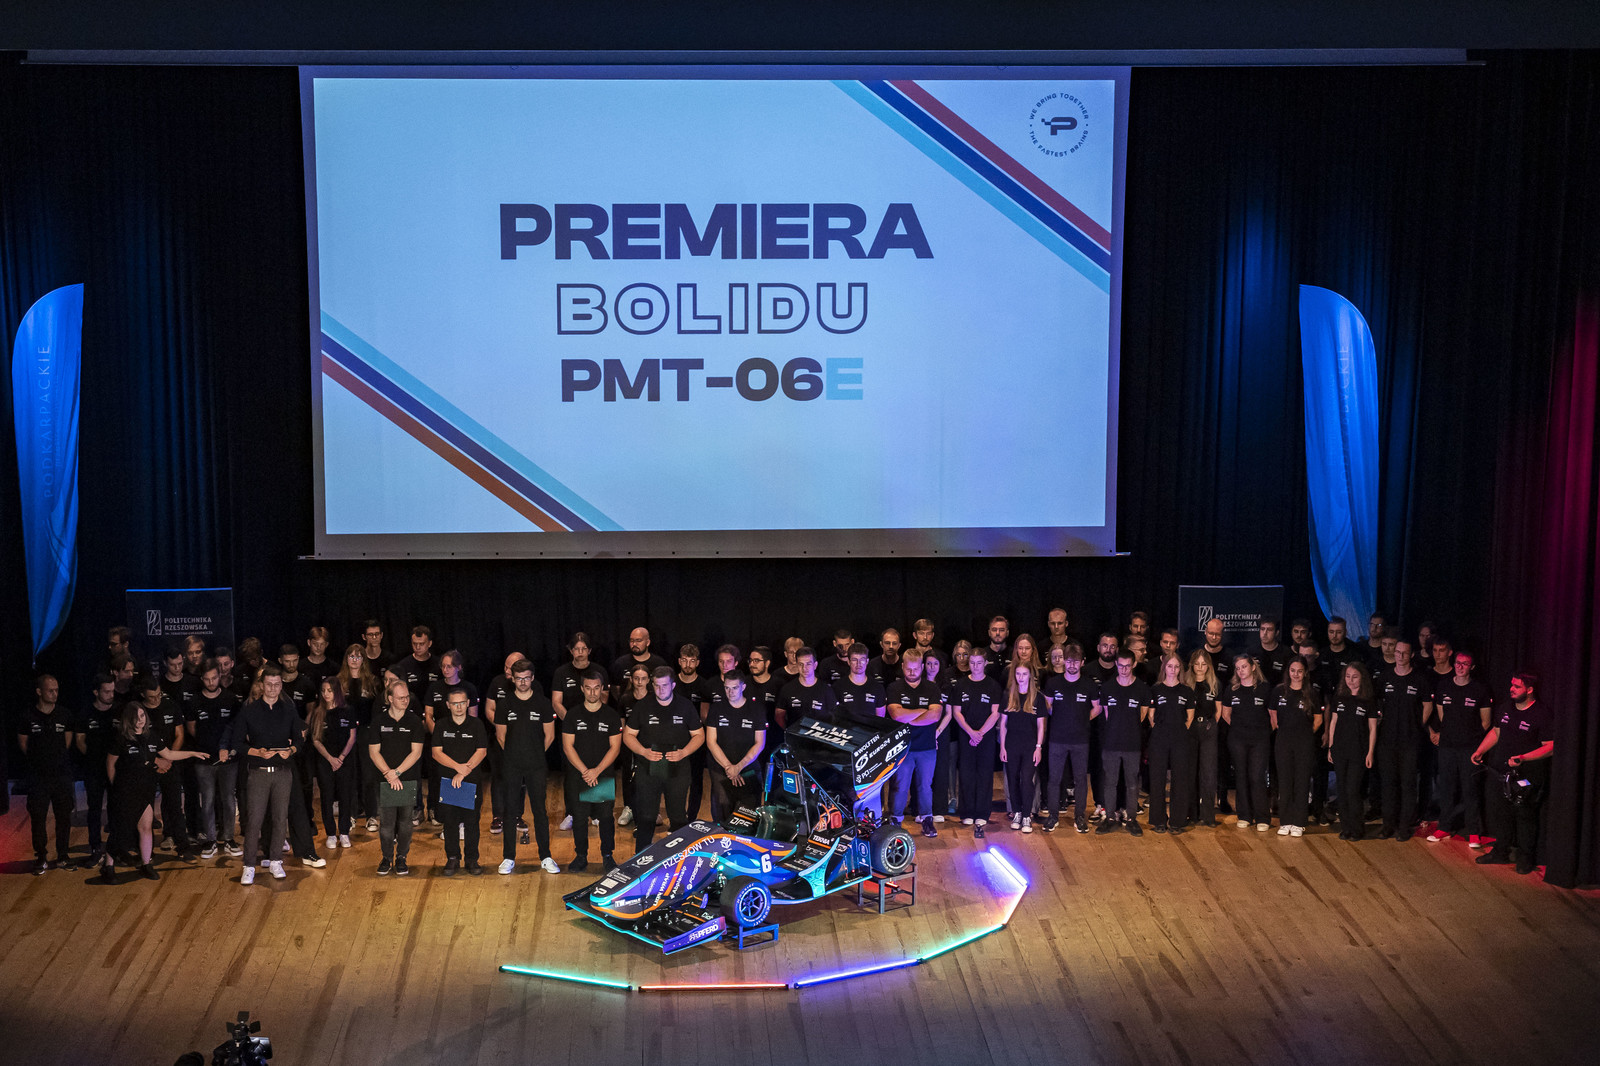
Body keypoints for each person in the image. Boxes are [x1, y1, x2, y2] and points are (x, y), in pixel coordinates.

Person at [99, 703, 207, 883]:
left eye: (142, 716)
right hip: (125, 791)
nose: (140, 720)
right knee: (121, 829)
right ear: (128, 719)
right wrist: (115, 787)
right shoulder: (121, 739)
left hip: (146, 789)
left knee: (146, 826)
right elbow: (111, 764)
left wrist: (192, 753)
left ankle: (146, 864)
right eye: (136, 717)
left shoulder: (151, 736)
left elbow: (169, 754)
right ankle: (108, 866)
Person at [1473, 672, 1555, 875]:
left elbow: (1550, 747)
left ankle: (1525, 858)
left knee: (1525, 816)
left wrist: (1524, 758)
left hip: (1527, 776)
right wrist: (1480, 750)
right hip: (1502, 773)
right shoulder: (1505, 708)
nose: (1512, 689)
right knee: (1501, 814)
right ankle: (1500, 851)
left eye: (1517, 686)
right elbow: (1496, 732)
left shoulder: (1541, 713)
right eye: (1512, 685)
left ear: (1530, 689)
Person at [234, 665, 307, 884]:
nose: (273, 689)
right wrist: (256, 752)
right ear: (262, 685)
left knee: (280, 818)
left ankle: (276, 860)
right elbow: (237, 743)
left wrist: (291, 750)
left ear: (281, 685)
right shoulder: (250, 710)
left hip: (283, 771)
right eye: (269, 684)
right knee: (254, 820)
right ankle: (249, 865)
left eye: (276, 685)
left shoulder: (289, 709)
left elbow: (299, 739)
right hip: (259, 772)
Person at [624, 667, 704, 851]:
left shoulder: (685, 706)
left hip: (678, 768)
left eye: (665, 685)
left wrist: (684, 752)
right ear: (652, 685)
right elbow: (628, 735)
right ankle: (641, 858)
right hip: (648, 768)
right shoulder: (643, 706)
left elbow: (699, 735)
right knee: (646, 816)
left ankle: (680, 858)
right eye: (657, 685)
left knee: (678, 816)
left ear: (673, 685)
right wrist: (643, 751)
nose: (661, 690)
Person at [496, 659, 560, 874]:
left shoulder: (543, 703)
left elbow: (550, 735)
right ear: (513, 679)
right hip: (512, 765)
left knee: (539, 810)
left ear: (532, 678)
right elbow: (501, 736)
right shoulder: (504, 704)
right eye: (518, 679)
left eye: (526, 678)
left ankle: (546, 856)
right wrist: (516, 755)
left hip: (536, 766)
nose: (522, 682)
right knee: (510, 811)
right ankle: (508, 857)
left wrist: (534, 754)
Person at [1428, 651, 1494, 847]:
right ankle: (1444, 827)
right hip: (1447, 747)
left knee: (1470, 789)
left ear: (1471, 667)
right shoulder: (1444, 686)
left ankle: (1474, 832)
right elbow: (1442, 715)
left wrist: (1471, 740)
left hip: (1469, 749)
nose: (1460, 666)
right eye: (1458, 663)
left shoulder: (1480, 689)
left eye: (1465, 664)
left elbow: (1486, 722)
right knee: (1447, 788)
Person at [561, 670, 625, 872]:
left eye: (596, 688)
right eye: (588, 688)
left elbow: (615, 747)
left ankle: (607, 855)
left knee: (605, 817)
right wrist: (585, 771)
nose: (592, 692)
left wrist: (596, 771)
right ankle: (581, 856)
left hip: (602, 775)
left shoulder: (611, 715)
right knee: (579, 818)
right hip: (579, 776)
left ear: (602, 688)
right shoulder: (572, 715)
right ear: (582, 689)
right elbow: (567, 747)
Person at [1041, 642, 1101, 833]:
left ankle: (1079, 817)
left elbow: (1098, 707)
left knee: (1080, 780)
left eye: (1076, 661)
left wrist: (1083, 718)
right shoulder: (1053, 683)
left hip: (1080, 740)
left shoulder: (1089, 685)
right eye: (1069, 661)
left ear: (1082, 662)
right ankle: (1053, 816)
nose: (1072, 665)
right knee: (1054, 779)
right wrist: (1060, 717)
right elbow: (1047, 706)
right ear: (1064, 662)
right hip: (1057, 739)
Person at [19, 675, 77, 873]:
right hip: (38, 777)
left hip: (61, 775)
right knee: (38, 817)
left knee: (64, 816)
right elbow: (24, 744)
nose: (55, 694)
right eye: (50, 690)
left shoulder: (65, 715)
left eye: (57, 690)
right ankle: (41, 857)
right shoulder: (28, 716)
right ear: (39, 692)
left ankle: (63, 856)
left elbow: (67, 742)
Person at [369, 679, 426, 876]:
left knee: (405, 823)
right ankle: (386, 857)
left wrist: (397, 773)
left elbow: (416, 752)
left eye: (407, 697)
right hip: (385, 781)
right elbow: (374, 752)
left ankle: (402, 857)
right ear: (390, 698)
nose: (405, 700)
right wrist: (389, 774)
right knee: (386, 823)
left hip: (407, 780)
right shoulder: (379, 721)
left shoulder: (414, 721)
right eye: (401, 697)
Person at [887, 650, 946, 838]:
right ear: (902, 666)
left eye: (915, 669)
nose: (912, 672)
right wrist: (922, 711)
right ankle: (895, 821)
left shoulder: (932, 688)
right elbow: (896, 715)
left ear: (921, 667)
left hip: (927, 747)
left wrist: (909, 716)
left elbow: (935, 715)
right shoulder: (894, 687)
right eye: (908, 669)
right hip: (902, 747)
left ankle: (927, 820)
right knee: (900, 787)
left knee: (925, 786)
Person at [432, 685, 489, 875]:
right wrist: (457, 768)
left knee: (472, 822)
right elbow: (436, 753)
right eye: (455, 703)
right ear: (448, 705)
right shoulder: (441, 725)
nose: (459, 707)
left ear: (467, 703)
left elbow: (481, 751)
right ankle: (452, 858)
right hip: (448, 782)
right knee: (450, 822)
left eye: (462, 703)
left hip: (470, 781)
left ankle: (472, 859)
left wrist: (464, 772)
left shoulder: (476, 725)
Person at [187, 660, 241, 858]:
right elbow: (191, 728)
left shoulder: (230, 699)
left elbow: (236, 728)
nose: (211, 682)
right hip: (204, 759)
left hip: (228, 760)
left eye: (214, 678)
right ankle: (210, 840)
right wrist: (206, 746)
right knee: (207, 800)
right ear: (202, 679)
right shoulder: (194, 701)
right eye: (207, 679)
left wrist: (226, 749)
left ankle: (229, 838)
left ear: (220, 676)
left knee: (228, 799)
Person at [1375, 641, 1428, 840]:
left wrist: (1417, 724)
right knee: (1388, 784)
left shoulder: (1419, 679)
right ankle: (1388, 825)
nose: (1400, 656)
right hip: (1387, 740)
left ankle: (1405, 826)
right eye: (1398, 652)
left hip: (1410, 741)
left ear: (1411, 655)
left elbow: (1428, 705)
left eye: (1404, 653)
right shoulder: (1385, 677)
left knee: (1408, 785)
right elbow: (1377, 703)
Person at [1096, 651, 1150, 835]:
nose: (1124, 669)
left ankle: (1131, 819)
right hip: (1111, 743)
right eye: (1120, 666)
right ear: (1116, 665)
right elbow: (1106, 714)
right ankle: (1110, 819)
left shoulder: (1141, 688)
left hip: (1132, 744)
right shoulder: (1108, 687)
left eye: (1127, 666)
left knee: (1132, 783)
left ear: (1133, 665)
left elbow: (1142, 715)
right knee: (1110, 782)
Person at [1326, 663, 1381, 841]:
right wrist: (1331, 747)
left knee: (1352, 790)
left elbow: (1372, 728)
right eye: (1348, 676)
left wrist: (1370, 752)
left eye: (1355, 676)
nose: (1350, 680)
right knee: (1341, 790)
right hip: (1340, 750)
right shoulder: (1339, 697)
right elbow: (1333, 723)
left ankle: (1357, 828)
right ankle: (1346, 827)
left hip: (1358, 751)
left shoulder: (1368, 700)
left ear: (1362, 678)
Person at [951, 647, 1002, 835]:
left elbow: (995, 713)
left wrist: (980, 733)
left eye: (979, 663)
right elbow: (956, 712)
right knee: (966, 774)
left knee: (984, 775)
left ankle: (982, 813)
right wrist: (971, 732)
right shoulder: (961, 685)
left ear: (985, 663)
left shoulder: (993, 685)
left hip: (985, 738)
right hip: (966, 736)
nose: (975, 666)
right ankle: (967, 812)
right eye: (972, 663)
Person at [1270, 658, 1323, 837]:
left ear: (1305, 672)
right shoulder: (1279, 691)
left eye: (1300, 671)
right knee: (1285, 782)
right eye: (1293, 670)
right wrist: (1283, 730)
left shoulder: (1311, 693)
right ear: (1288, 671)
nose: (1296, 674)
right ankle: (1285, 821)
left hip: (1304, 743)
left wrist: (1305, 734)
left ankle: (1299, 822)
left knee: (1301, 781)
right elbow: (1272, 713)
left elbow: (1318, 719)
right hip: (1283, 742)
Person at [706, 673, 767, 823]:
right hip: (721, 769)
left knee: (749, 816)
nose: (730, 692)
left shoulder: (756, 709)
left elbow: (760, 743)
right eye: (727, 688)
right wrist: (729, 767)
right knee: (721, 816)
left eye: (734, 688)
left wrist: (738, 767)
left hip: (748, 769)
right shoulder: (716, 708)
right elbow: (711, 742)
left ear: (743, 687)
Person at [1223, 654, 1274, 831]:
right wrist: (1240, 727)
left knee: (1257, 776)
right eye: (1238, 668)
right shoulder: (1232, 690)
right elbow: (1226, 714)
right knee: (1241, 776)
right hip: (1237, 739)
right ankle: (1244, 815)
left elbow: (1273, 716)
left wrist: (1261, 730)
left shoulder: (1265, 688)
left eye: (1244, 666)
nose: (1241, 671)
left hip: (1259, 740)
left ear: (1252, 667)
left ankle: (1262, 817)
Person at [308, 677, 359, 851]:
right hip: (325, 761)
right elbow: (315, 739)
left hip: (345, 760)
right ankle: (330, 833)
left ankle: (344, 832)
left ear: (337, 691)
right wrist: (330, 759)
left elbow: (352, 737)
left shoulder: (348, 710)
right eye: (323, 691)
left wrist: (341, 758)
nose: (326, 694)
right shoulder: (318, 712)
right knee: (327, 797)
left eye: (329, 690)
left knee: (345, 796)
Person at [335, 643, 381, 830]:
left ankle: (372, 815)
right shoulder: (339, 681)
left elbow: (377, 709)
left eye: (358, 657)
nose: (355, 660)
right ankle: (351, 814)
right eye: (351, 656)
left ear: (364, 660)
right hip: (346, 733)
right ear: (346, 659)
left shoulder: (372, 681)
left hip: (366, 732)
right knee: (350, 774)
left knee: (368, 775)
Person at [1147, 655, 1195, 834]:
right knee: (1157, 779)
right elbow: (1151, 716)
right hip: (1159, 738)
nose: (1173, 670)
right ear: (1164, 668)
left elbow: (1189, 717)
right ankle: (1158, 820)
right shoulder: (1156, 689)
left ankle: (1177, 821)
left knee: (1180, 779)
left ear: (1180, 669)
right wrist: (1161, 731)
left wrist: (1178, 731)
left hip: (1180, 739)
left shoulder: (1187, 691)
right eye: (1169, 666)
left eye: (1176, 666)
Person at [77, 673, 120, 866]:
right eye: (107, 691)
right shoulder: (86, 712)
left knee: (116, 807)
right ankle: (95, 847)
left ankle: (116, 847)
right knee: (94, 808)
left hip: (116, 769)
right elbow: (79, 741)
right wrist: (94, 759)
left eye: (113, 691)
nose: (111, 695)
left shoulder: (119, 711)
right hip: (94, 770)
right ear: (96, 692)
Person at [998, 662, 1046, 833]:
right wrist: (1002, 747)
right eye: (1018, 674)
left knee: (1026, 780)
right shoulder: (1008, 695)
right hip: (1012, 744)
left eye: (1024, 674)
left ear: (1030, 676)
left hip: (1030, 746)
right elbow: (1003, 724)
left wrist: (1038, 747)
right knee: (1012, 779)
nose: (1021, 677)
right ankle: (1017, 812)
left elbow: (1041, 725)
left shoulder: (1038, 697)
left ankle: (1026, 815)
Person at [482, 650, 523, 836]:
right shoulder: (496, 682)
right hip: (497, 737)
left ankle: (517, 815)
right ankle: (498, 816)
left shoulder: (529, 685)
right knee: (498, 777)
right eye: (505, 667)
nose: (506, 670)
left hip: (520, 739)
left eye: (510, 668)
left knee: (520, 778)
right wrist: (501, 726)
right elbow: (489, 708)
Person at [1185, 650, 1223, 826]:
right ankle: (1192, 814)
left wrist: (1210, 725)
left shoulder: (1215, 684)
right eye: (1197, 664)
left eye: (1203, 664)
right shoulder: (1186, 683)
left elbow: (1218, 711)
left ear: (1209, 665)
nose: (1200, 667)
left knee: (1208, 772)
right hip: (1190, 729)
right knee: (1190, 771)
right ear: (1192, 665)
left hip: (1208, 728)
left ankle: (1208, 815)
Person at [777, 647, 836, 730]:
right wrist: (787, 732)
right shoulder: (787, 689)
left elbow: (834, 718)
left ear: (815, 665)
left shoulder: (826, 690)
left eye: (808, 664)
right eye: (801, 664)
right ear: (797, 665)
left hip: (818, 737)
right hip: (794, 737)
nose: (804, 668)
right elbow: (779, 715)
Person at [832, 643, 887, 726]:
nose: (858, 663)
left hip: (869, 732)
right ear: (849, 662)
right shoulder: (838, 687)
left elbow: (880, 718)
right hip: (847, 731)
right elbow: (834, 716)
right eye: (854, 659)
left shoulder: (877, 687)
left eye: (862, 659)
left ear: (867, 661)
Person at [610, 627, 667, 696]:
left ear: (648, 642)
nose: (634, 644)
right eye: (631, 641)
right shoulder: (620, 663)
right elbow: (615, 689)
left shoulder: (659, 663)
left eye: (638, 641)